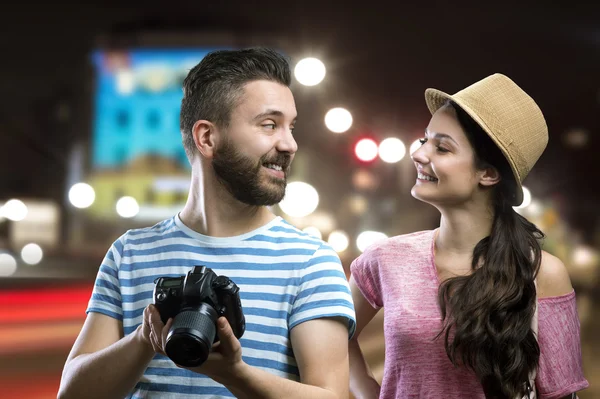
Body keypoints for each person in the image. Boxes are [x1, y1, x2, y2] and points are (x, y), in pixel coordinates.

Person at [58, 47, 356, 399]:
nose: (290, 143)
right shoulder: (129, 253)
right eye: (269, 125)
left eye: (291, 127)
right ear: (207, 138)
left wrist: (236, 374)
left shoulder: (311, 261)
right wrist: (145, 339)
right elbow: (73, 394)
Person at [348, 73, 589, 399]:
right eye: (425, 140)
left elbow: (560, 394)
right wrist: (368, 393)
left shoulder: (541, 273)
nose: (419, 154)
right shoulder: (385, 258)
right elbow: (337, 336)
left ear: (488, 173)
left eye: (442, 147)